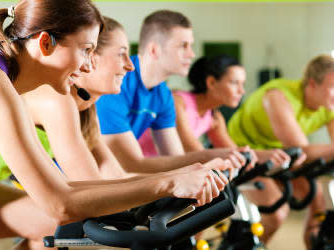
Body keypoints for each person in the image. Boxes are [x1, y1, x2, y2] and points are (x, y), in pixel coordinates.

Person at [0, 13, 228, 250]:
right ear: (45, 43)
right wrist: (170, 182)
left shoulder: (19, 87)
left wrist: (179, 182)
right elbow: (64, 201)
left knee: (53, 228)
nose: (89, 64)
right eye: (87, 50)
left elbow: (101, 184)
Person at [96, 10, 254, 175]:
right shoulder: (116, 84)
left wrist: (220, 157)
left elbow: (176, 159)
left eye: (190, 46)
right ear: (154, 50)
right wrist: (212, 155)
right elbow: (132, 164)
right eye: (183, 46)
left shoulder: (163, 95)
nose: (191, 54)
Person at [228, 54, 334, 249]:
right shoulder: (277, 96)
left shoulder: (328, 105)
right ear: (312, 83)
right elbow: (301, 153)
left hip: (280, 157)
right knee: (277, 212)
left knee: (319, 201)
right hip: (244, 154)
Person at [139, 55, 292, 167]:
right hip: (139, 167)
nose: (242, 91)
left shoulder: (214, 117)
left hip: (164, 170)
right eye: (234, 83)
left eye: (242, 84)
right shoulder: (178, 102)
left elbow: (232, 151)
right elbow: (192, 150)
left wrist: (269, 155)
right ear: (211, 82)